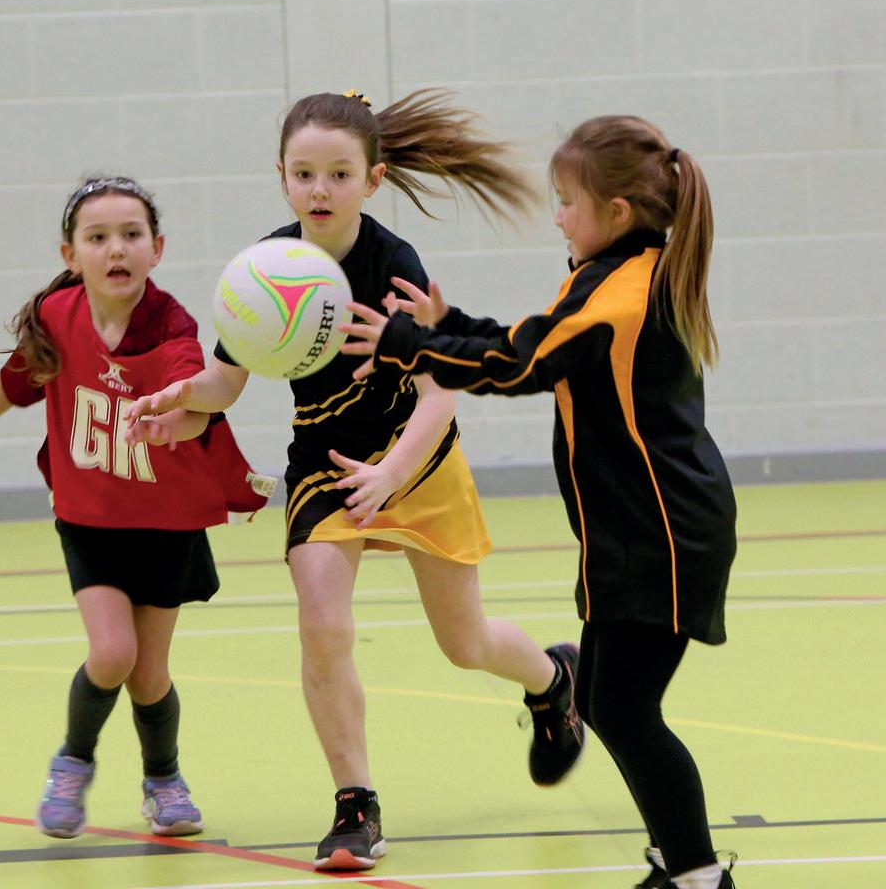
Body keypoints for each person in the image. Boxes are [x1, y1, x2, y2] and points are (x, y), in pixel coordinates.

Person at [124, 89, 585, 872]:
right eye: (303, 173)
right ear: (281, 176)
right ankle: (355, 805)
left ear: (372, 180)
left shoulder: (394, 266)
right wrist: (181, 403)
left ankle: (554, 681)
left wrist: (392, 472)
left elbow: (441, 393)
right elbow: (225, 383)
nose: (319, 189)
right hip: (327, 467)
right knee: (323, 626)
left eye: (339, 174)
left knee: (465, 643)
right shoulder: (265, 269)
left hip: (415, 459)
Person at [340, 116, 740, 889]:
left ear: (615, 212)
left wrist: (408, 344)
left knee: (624, 709)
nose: (557, 216)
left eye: (566, 201)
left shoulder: (620, 297)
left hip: (662, 535)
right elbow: (533, 339)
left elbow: (521, 365)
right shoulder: (616, 271)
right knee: (604, 697)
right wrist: (447, 328)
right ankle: (677, 863)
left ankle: (697, 877)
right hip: (637, 530)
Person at [0, 176, 273, 842]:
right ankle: (72, 763)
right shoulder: (58, 317)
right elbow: (7, 387)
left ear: (157, 248)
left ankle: (163, 780)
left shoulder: (171, 326)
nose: (116, 248)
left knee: (149, 675)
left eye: (131, 235)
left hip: (168, 523)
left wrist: (173, 421)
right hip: (90, 518)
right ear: (71, 254)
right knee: (113, 652)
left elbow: (198, 402)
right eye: (98, 237)